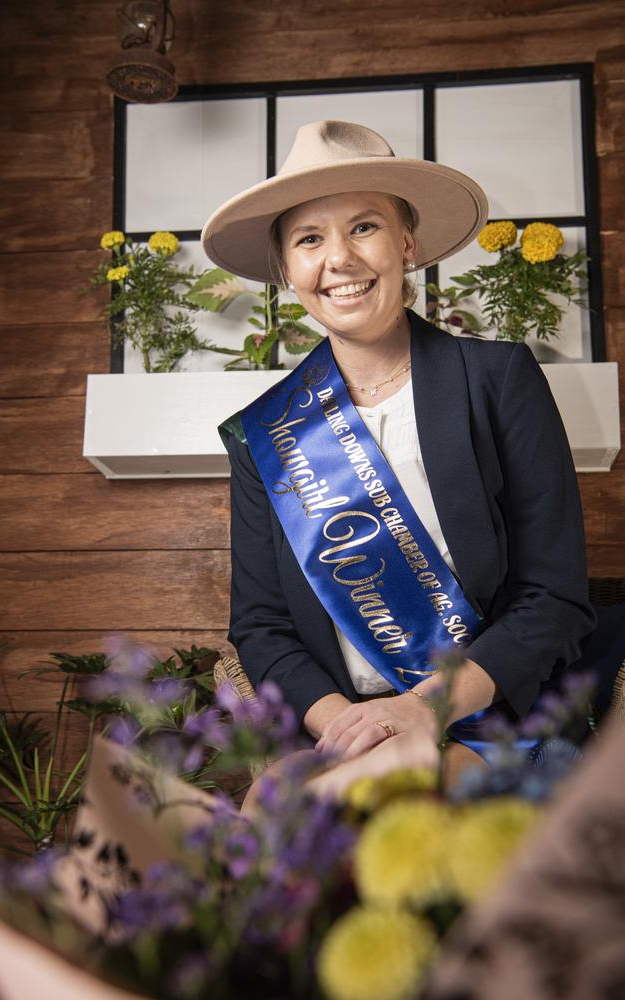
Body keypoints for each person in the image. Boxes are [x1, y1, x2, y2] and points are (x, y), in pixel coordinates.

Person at [200, 120, 597, 782]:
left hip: (497, 718)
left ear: (406, 243)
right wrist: (358, 731)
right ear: (286, 270)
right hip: (349, 732)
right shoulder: (263, 434)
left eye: (364, 227)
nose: (340, 260)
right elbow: (262, 628)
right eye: (308, 239)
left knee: (308, 816)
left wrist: (423, 714)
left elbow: (555, 597)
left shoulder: (498, 380)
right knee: (280, 800)